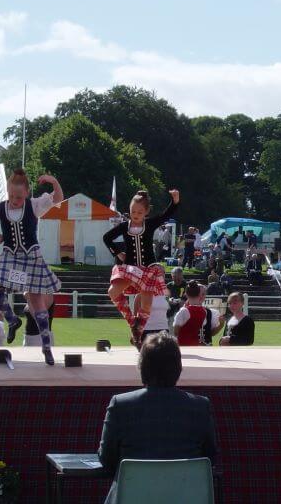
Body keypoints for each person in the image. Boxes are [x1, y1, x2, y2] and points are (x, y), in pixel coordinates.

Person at [98, 333, 218, 504]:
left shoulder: (121, 405)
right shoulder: (200, 406)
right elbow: (210, 458)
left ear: (142, 367)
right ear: (178, 367)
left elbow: (106, 461)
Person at [0, 169, 63, 365]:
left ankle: (46, 345)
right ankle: (12, 319)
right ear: (7, 192)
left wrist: (53, 181)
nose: (15, 200)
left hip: (31, 257)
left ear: (27, 192)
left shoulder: (34, 205)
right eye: (11, 195)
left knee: (36, 300)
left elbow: (58, 198)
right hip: (10, 256)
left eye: (19, 196)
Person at [103, 189, 179, 347]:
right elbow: (107, 238)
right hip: (130, 269)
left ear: (146, 212)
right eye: (132, 211)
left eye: (139, 212)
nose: (135, 214)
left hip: (148, 270)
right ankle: (133, 323)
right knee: (113, 291)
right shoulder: (124, 226)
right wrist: (118, 253)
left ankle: (137, 333)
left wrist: (175, 201)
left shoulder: (150, 224)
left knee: (146, 305)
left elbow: (166, 215)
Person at [173, 281, 225, 346]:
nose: (201, 296)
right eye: (199, 293)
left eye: (203, 294)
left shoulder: (210, 312)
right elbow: (176, 332)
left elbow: (211, 333)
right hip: (187, 347)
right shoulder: (184, 311)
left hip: (205, 348)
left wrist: (221, 325)